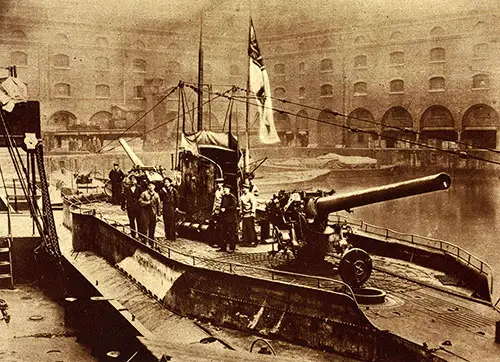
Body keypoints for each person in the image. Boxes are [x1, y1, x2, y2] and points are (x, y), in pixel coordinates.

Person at [218, 182, 238, 253]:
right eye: (224, 189)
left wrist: (226, 209)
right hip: (224, 218)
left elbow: (234, 207)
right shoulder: (224, 197)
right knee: (223, 233)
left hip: (230, 219)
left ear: (229, 190)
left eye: (226, 189)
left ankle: (232, 248)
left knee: (231, 233)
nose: (224, 190)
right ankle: (223, 247)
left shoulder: (232, 197)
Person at [159, 177, 179, 241]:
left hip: (171, 207)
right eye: (165, 182)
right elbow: (160, 199)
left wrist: (176, 207)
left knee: (172, 222)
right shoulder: (162, 191)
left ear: (170, 183)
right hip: (165, 207)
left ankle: (172, 237)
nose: (166, 183)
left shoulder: (174, 190)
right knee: (166, 222)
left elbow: (177, 199)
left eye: (167, 182)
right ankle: (167, 236)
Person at [240, 180, 257, 246]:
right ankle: (246, 240)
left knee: (250, 228)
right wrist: (241, 212)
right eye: (243, 188)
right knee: (245, 228)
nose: (244, 190)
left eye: (245, 188)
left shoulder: (250, 196)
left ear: (248, 189)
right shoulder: (242, 197)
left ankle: (253, 241)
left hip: (249, 213)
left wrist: (253, 212)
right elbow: (241, 205)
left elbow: (254, 204)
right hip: (245, 214)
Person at [210, 177, 224, 248]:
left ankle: (220, 243)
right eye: (218, 183)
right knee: (215, 226)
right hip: (216, 211)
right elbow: (215, 202)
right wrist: (213, 211)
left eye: (220, 183)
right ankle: (215, 241)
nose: (218, 185)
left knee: (220, 227)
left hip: (221, 211)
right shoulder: (217, 192)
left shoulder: (223, 192)